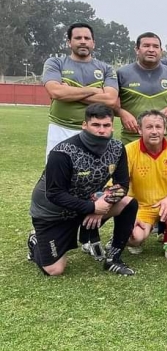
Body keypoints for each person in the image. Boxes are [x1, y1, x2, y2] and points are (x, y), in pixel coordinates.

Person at [27, 104, 138, 276]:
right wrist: (93, 208)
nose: (102, 130)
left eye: (106, 125)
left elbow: (122, 184)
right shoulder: (62, 153)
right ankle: (35, 241)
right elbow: (54, 194)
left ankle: (114, 259)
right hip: (53, 214)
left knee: (128, 203)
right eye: (96, 125)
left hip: (87, 205)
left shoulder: (117, 148)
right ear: (84, 125)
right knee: (55, 270)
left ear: (112, 126)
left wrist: (103, 204)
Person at [41, 23, 119, 158]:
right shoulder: (55, 63)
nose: (83, 41)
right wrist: (95, 90)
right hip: (60, 128)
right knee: (57, 175)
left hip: (95, 131)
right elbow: (56, 92)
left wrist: (68, 92)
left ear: (93, 43)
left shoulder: (106, 68)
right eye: (78, 38)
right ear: (69, 42)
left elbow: (110, 100)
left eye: (87, 38)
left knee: (93, 175)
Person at [125, 110, 167, 261]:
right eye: (149, 127)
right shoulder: (129, 150)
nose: (154, 131)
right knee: (134, 238)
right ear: (140, 130)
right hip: (142, 206)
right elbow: (120, 183)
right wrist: (128, 212)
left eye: (158, 127)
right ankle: (134, 238)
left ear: (165, 129)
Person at [115, 32, 167, 144]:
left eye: (155, 46)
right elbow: (108, 102)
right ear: (137, 49)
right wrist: (121, 112)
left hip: (164, 142)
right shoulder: (122, 74)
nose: (151, 50)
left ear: (161, 51)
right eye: (146, 46)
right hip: (131, 142)